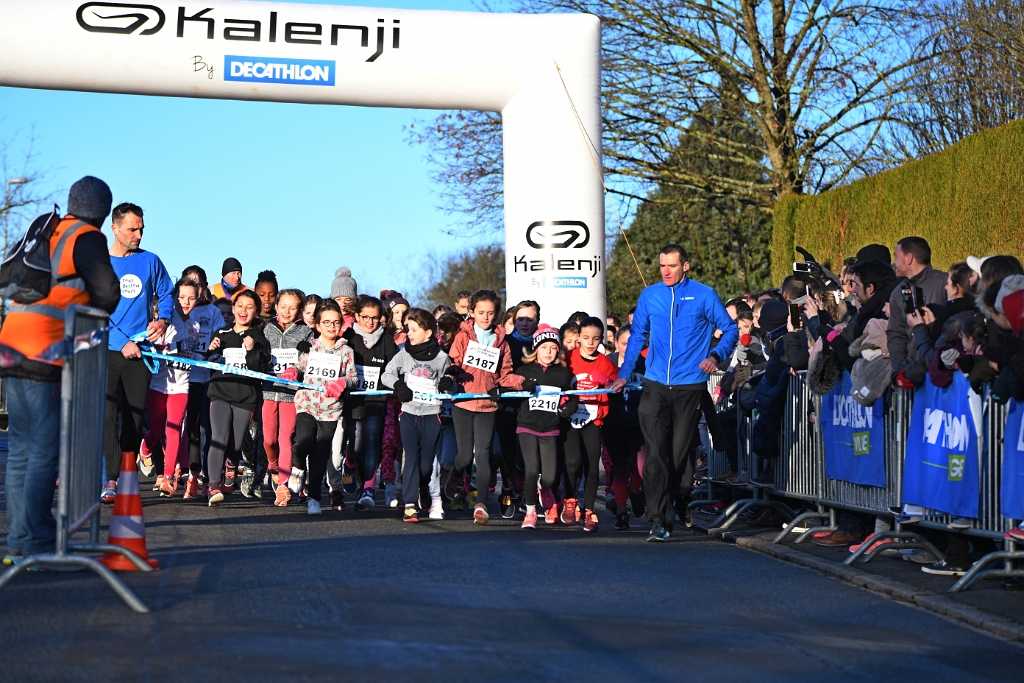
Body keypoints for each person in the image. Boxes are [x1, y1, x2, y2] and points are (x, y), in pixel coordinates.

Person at [0, 176, 120, 564]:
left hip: (11, 343)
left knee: (21, 448)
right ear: (102, 213)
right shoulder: (87, 237)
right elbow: (108, 294)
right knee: (43, 450)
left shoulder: (48, 229)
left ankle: (20, 540)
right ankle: (36, 542)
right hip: (45, 348)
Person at [612, 244, 738, 542]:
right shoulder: (650, 295)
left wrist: (716, 355)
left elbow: (731, 330)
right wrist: (624, 373)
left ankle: (679, 497)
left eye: (672, 265)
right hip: (655, 385)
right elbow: (637, 336)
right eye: (662, 266)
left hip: (689, 386)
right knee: (655, 456)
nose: (666, 271)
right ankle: (657, 520)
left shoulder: (704, 295)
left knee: (679, 460)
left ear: (685, 266)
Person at [102, 202, 174, 504]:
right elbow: (93, 309)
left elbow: (167, 293)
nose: (139, 235)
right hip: (107, 350)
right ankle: (111, 478)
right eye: (132, 229)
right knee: (107, 415)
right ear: (115, 229)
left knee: (134, 417)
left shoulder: (150, 261)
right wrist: (121, 342)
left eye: (141, 229)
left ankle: (125, 473)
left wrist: (162, 319)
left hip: (141, 353)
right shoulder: (100, 264)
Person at [444, 289, 525, 525]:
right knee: (464, 456)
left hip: (488, 406)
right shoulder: (463, 336)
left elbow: (505, 375)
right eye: (481, 312)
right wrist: (452, 374)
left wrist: (523, 383)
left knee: (483, 454)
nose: (486, 317)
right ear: (472, 312)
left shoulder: (501, 341)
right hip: (464, 401)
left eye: (490, 313)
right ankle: (455, 475)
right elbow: (453, 363)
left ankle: (480, 504)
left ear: (496, 314)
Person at [279, 299, 358, 515]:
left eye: (336, 322)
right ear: (317, 325)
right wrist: (293, 372)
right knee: (302, 442)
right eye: (327, 322)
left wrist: (343, 382)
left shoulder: (346, 351)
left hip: (331, 411)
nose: (332, 327)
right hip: (307, 404)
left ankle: (313, 498)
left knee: (320, 455)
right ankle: (297, 468)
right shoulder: (311, 347)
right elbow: (300, 367)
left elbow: (353, 378)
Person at [381, 308, 452, 522]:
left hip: (432, 414)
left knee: (426, 464)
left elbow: (451, 384)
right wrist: (398, 385)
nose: (408, 333)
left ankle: (422, 486)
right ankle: (410, 504)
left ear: (428, 333)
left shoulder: (442, 358)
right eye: (408, 329)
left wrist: (449, 383)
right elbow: (386, 374)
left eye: (413, 329)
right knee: (410, 457)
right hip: (409, 413)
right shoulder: (404, 353)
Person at [205, 290, 271, 507]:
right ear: (233, 309)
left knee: (235, 444)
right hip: (220, 391)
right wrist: (211, 350)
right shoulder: (221, 333)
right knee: (218, 437)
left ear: (256, 312)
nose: (243, 310)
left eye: (249, 307)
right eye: (240, 306)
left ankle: (232, 463)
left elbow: (260, 370)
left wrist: (251, 351)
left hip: (245, 396)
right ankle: (213, 486)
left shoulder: (259, 338)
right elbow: (210, 363)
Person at [140, 277, 202, 497]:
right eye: (182, 297)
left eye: (191, 298)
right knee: (157, 432)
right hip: (159, 384)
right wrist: (166, 348)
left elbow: (192, 355)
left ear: (198, 299)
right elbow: (151, 348)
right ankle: (145, 447)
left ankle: (168, 478)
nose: (186, 302)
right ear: (174, 297)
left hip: (181, 385)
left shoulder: (196, 325)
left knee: (174, 429)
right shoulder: (164, 321)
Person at [342, 295, 400, 512]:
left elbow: (395, 368)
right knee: (356, 444)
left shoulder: (387, 340)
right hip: (353, 399)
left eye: (375, 318)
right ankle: (349, 466)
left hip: (376, 400)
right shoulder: (349, 337)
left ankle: (368, 489)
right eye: (365, 317)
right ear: (357, 316)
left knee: (372, 440)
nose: (370, 322)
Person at [514, 325, 574, 529]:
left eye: (553, 348)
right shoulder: (523, 371)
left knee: (549, 476)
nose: (548, 352)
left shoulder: (562, 374)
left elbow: (571, 397)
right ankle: (530, 511)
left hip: (550, 428)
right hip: (527, 426)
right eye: (544, 347)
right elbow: (509, 390)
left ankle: (544, 487)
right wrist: (520, 386)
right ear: (535, 349)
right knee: (531, 470)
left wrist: (568, 407)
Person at [563, 317, 619, 531]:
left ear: (601, 339)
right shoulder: (569, 358)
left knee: (592, 466)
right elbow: (557, 380)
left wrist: (607, 383)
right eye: (586, 338)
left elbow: (616, 387)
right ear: (579, 337)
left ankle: (589, 510)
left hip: (593, 419)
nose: (590, 343)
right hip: (571, 418)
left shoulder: (605, 363)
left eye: (595, 339)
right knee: (572, 462)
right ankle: (570, 500)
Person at [262, 288, 313, 507]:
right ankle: (273, 465)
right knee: (269, 440)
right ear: (276, 306)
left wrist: (307, 350)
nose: (286, 311)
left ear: (299, 310)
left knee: (286, 438)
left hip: (291, 393)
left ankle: (283, 485)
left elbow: (312, 359)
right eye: (283, 307)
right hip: (268, 390)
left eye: (292, 308)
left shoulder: (305, 332)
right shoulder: (266, 328)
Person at [179, 265, 225, 498]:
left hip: (206, 378)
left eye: (198, 284)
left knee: (206, 429)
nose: (193, 289)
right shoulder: (178, 311)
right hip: (182, 378)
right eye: (189, 283)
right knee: (189, 429)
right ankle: (190, 473)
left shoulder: (213, 311)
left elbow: (221, 337)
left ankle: (207, 477)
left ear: (204, 287)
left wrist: (216, 346)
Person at [887, 237, 947, 387]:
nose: (893, 262)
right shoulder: (897, 293)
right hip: (913, 378)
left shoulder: (945, 284)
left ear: (909, 258)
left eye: (896, 256)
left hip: (940, 375)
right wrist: (901, 369)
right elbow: (896, 334)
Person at [605, 324, 647, 530]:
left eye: (634, 344)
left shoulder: (647, 365)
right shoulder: (609, 363)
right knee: (620, 468)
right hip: (614, 424)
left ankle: (636, 491)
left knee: (640, 467)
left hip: (639, 423)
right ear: (616, 343)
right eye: (624, 344)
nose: (629, 349)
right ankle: (621, 512)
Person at [330, 267, 357, 332]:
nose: (343, 304)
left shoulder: (358, 321)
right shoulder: (326, 320)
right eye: (338, 299)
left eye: (347, 300)